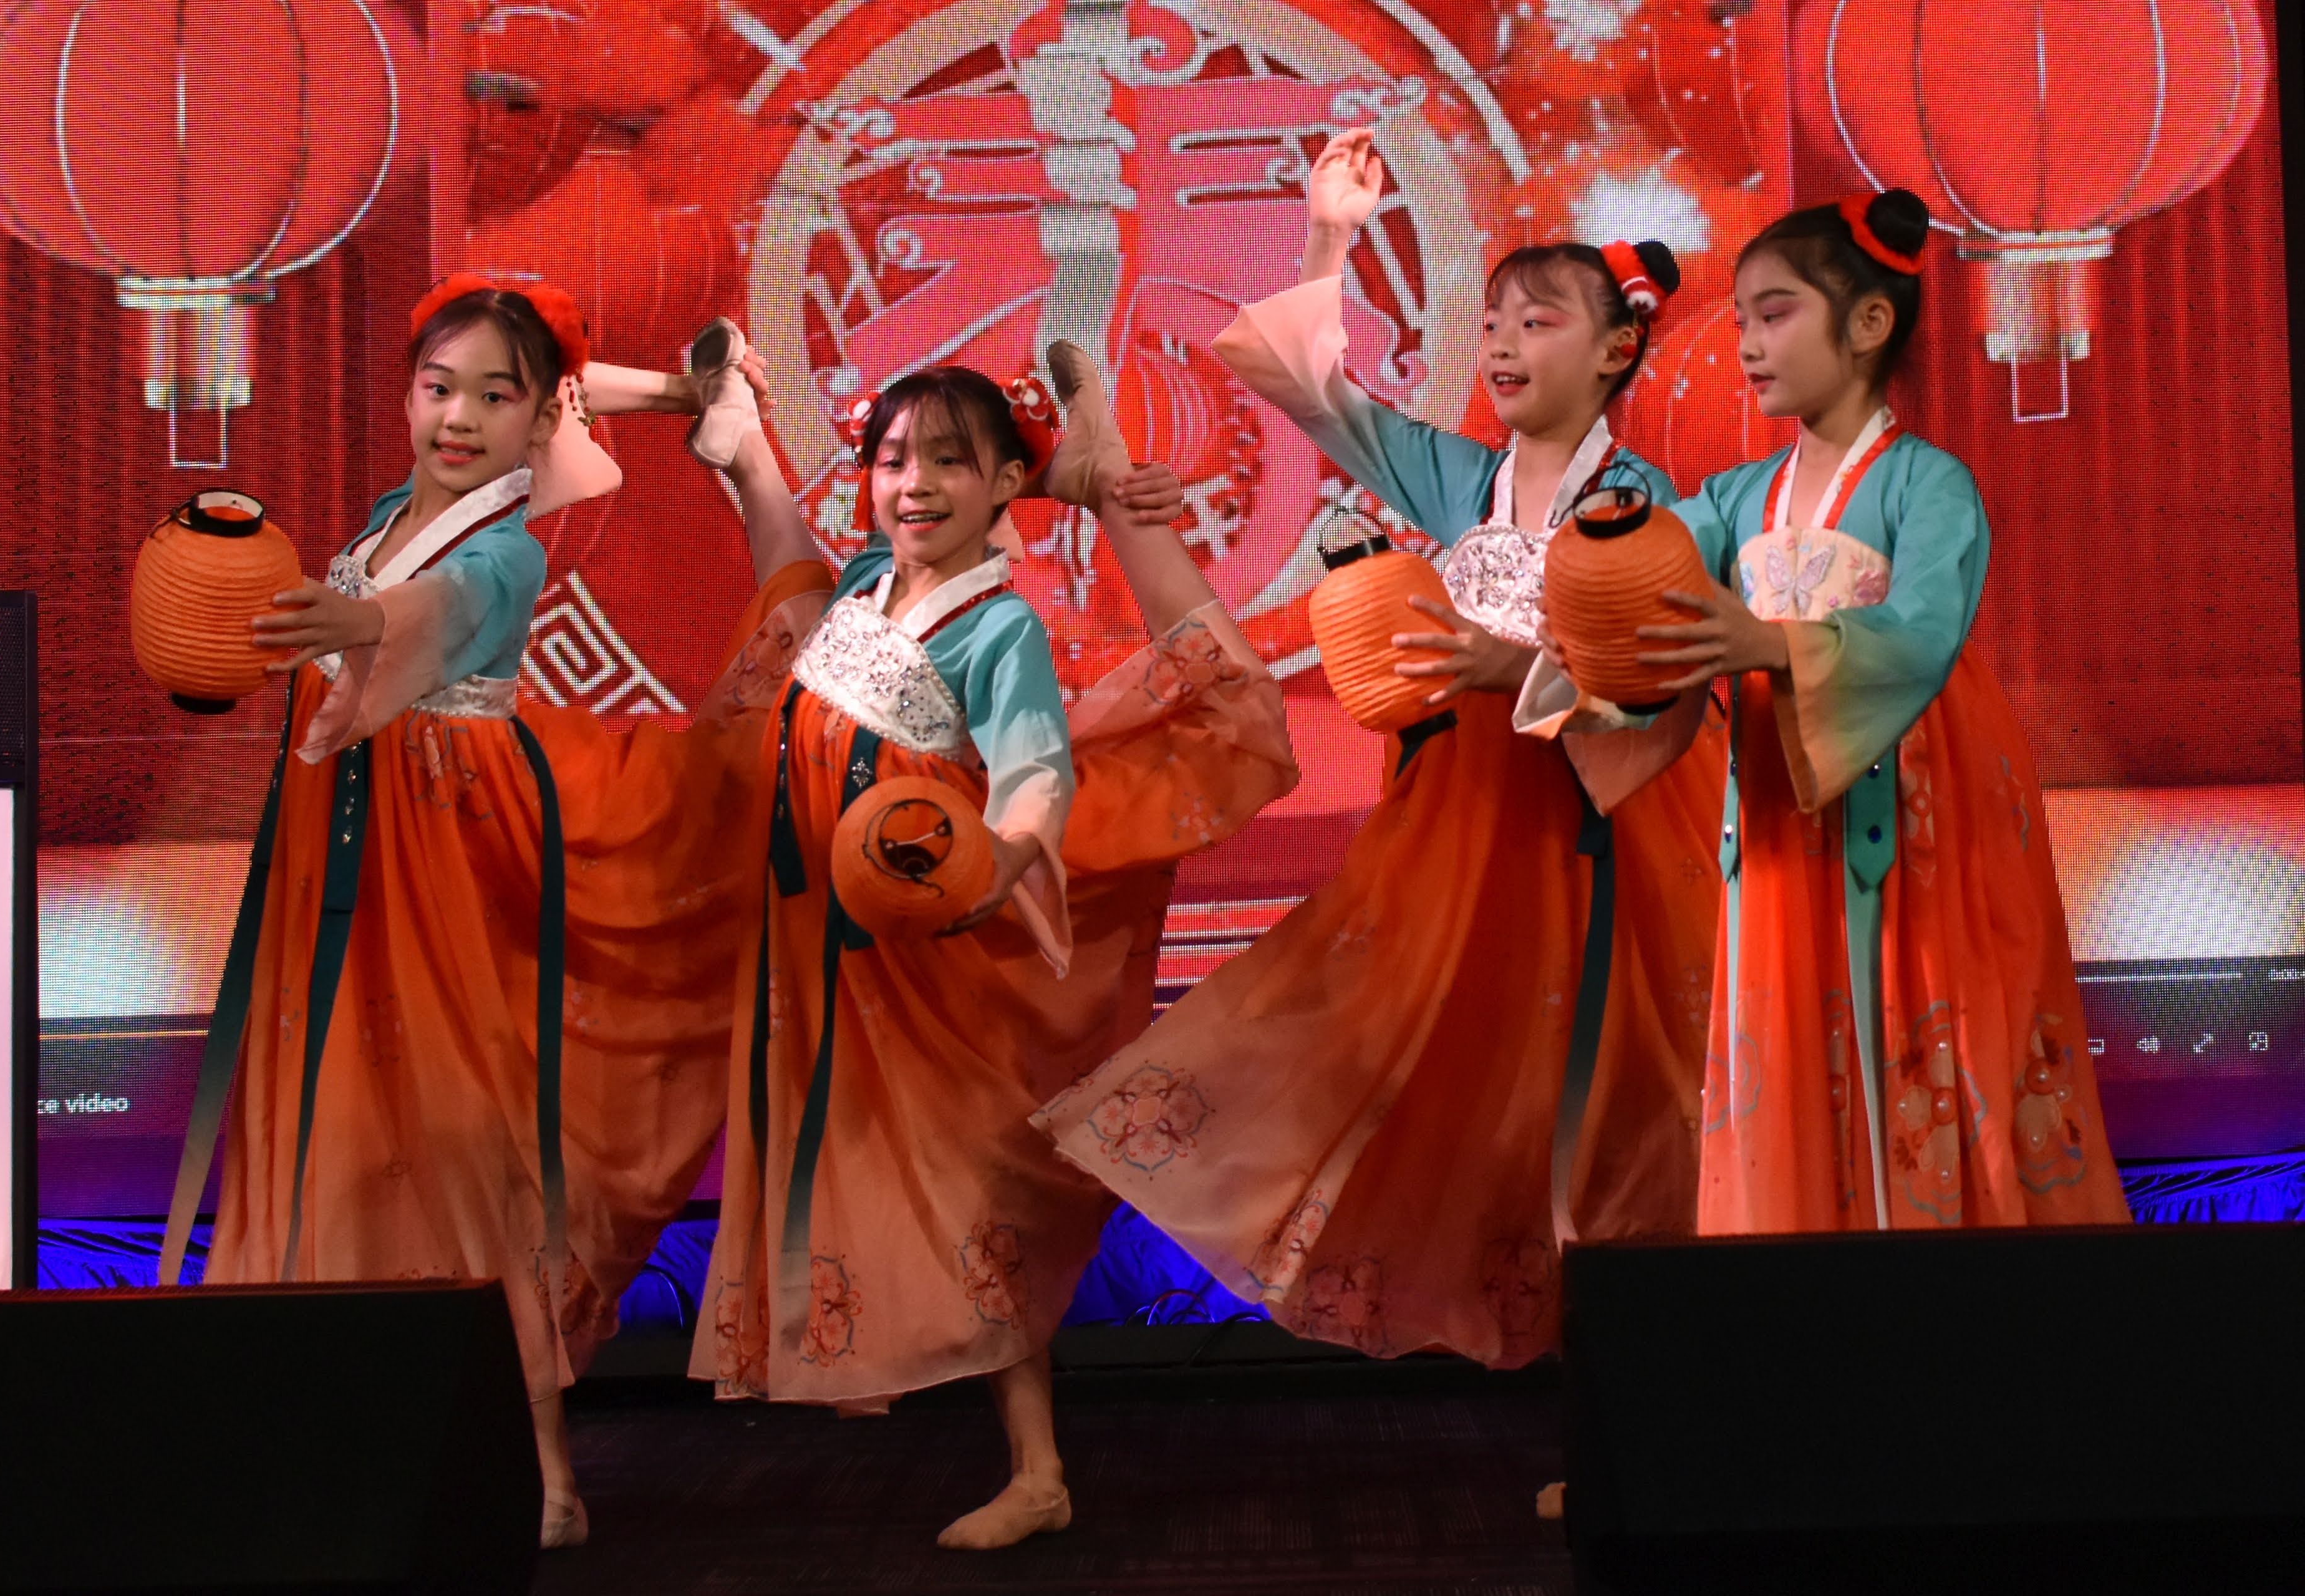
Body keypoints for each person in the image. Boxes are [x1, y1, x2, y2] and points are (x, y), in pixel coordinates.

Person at [1037, 126, 1726, 1373]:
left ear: (1617, 350)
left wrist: (1513, 670)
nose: (1504, 345)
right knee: (1437, 1072)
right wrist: (1329, 233)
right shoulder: (1462, 483)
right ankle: (1546, 1353)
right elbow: (1319, 394)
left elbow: (1669, 690)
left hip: (1600, 837)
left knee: (1607, 1099)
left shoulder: (1647, 506)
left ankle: (1634, 1377)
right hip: (1462, 832)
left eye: (1540, 324)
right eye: (1496, 324)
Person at [167, 277, 826, 1549]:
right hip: (349, 867)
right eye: (439, 389)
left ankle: (547, 1476)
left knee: (472, 1157)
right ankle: (322, 1444)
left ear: (540, 423)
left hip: (454, 866)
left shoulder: (505, 546)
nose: (460, 418)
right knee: (335, 1139)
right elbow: (539, 388)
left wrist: (360, 620)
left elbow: (447, 609)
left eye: (495, 398)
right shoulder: (389, 514)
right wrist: (681, 390)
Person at [692, 343, 1297, 1550]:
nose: (913, 484)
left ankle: (1038, 1471)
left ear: (1004, 486)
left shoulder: (998, 626)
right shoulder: (864, 586)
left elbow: (1032, 777)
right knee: (870, 1171)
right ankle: (953, 1415)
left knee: (971, 1193)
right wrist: (740, 446)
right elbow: (790, 584)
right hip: (828, 961)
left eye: (950, 464)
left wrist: (1001, 868)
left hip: (938, 964)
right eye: (892, 460)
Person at [1550, 188, 2127, 1232]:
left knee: (1924, 1024)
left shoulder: (1929, 484)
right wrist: (1582, 625)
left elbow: (1926, 632)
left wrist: (1771, 645)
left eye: (1775, 315)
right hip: (1781, 812)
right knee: (1785, 1029)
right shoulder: (1736, 499)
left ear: (1868, 323)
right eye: (1741, 321)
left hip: (1917, 806)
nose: (1748, 345)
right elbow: (1648, 587)